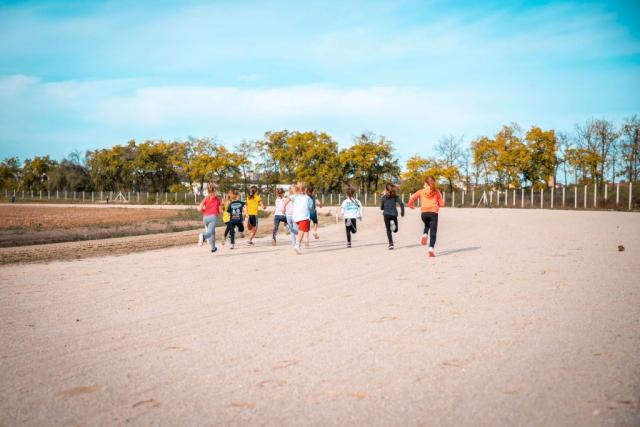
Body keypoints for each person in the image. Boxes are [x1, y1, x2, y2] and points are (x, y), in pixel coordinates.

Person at [408, 175, 444, 257]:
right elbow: (442, 204)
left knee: (427, 224)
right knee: (433, 233)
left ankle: (424, 234)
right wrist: (439, 204)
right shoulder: (436, 191)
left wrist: (411, 205)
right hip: (433, 213)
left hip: (424, 214)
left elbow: (412, 197)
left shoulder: (421, 191)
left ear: (425, 183)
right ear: (433, 182)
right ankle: (431, 249)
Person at [282, 182, 313, 255]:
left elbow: (287, 199)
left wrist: (283, 207)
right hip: (304, 217)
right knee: (301, 232)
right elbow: (311, 207)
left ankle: (289, 228)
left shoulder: (294, 196)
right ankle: (297, 245)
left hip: (295, 217)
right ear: (305, 189)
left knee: (298, 231)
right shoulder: (308, 198)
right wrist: (309, 207)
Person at [197, 182, 221, 253]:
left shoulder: (205, 199)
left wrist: (205, 210)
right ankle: (203, 236)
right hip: (213, 217)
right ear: (215, 191)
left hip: (205, 217)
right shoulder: (217, 199)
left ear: (208, 191)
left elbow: (199, 209)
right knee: (210, 232)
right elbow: (220, 210)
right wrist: (218, 211)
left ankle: (213, 248)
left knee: (212, 232)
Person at [380, 183, 404, 250]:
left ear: (386, 189)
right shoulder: (395, 197)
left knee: (388, 230)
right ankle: (394, 226)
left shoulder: (384, 197)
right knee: (395, 230)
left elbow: (381, 208)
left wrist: (384, 205)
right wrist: (402, 212)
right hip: (393, 214)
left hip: (386, 214)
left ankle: (391, 244)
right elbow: (401, 204)